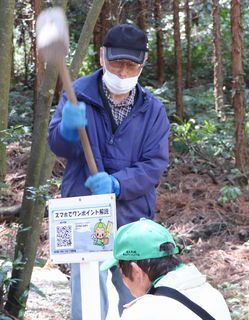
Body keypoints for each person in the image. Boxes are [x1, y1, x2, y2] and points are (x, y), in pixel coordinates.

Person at [48, 23, 170, 320]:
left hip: (132, 219)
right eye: (117, 63)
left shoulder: (152, 110)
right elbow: (57, 144)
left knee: (133, 298)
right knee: (88, 297)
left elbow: (154, 164)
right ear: (102, 57)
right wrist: (67, 129)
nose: (123, 72)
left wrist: (117, 183)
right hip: (85, 213)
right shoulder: (78, 95)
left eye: (131, 65)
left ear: (143, 64)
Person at [100, 218, 232, 320]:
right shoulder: (212, 294)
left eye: (121, 272)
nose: (123, 279)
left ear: (136, 271)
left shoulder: (141, 313)